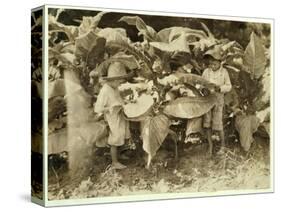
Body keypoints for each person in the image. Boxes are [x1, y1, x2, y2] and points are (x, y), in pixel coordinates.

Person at [94, 62, 131, 169]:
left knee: (122, 134)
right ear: (113, 80)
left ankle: (119, 155)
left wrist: (124, 102)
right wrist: (110, 108)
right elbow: (98, 108)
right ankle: (114, 162)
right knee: (115, 138)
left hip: (119, 115)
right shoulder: (105, 91)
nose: (120, 83)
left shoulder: (114, 88)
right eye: (119, 81)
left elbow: (118, 100)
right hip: (112, 118)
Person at [202, 54, 232, 155]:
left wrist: (220, 88)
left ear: (220, 62)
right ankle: (210, 146)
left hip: (218, 100)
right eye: (210, 64)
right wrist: (203, 89)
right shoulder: (206, 72)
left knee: (218, 123)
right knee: (207, 123)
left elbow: (229, 86)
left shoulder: (224, 72)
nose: (212, 66)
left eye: (214, 64)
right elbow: (200, 83)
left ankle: (223, 146)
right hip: (207, 100)